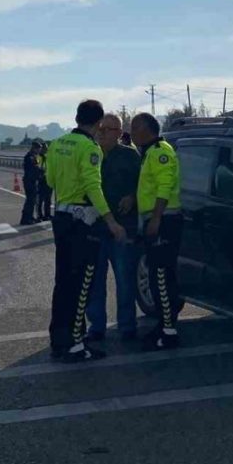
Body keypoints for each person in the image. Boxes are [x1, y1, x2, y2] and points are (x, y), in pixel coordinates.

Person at [45, 100, 127, 362]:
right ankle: (77, 344)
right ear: (99, 122)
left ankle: (59, 340)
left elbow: (49, 180)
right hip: (83, 222)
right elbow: (93, 186)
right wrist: (111, 221)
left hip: (61, 217)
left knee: (63, 282)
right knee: (82, 284)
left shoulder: (57, 144)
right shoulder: (90, 148)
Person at [130, 112, 183, 351]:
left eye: (134, 128)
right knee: (156, 275)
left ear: (145, 129)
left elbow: (165, 185)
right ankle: (163, 325)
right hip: (156, 219)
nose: (131, 134)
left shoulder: (161, 151)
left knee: (161, 276)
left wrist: (156, 218)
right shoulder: (149, 153)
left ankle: (169, 331)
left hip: (164, 220)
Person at [87, 114, 142, 341]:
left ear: (119, 134)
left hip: (123, 228)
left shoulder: (130, 156)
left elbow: (145, 184)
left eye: (107, 129)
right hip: (95, 229)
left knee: (125, 279)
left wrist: (132, 197)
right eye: (100, 128)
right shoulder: (90, 154)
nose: (101, 132)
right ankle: (96, 327)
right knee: (95, 281)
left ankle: (127, 326)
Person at [20, 140, 42, 225]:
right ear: (34, 148)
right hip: (29, 181)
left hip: (33, 180)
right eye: (38, 149)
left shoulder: (34, 156)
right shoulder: (30, 157)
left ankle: (30, 217)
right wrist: (41, 171)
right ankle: (26, 219)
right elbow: (34, 169)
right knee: (30, 200)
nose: (39, 150)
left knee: (32, 201)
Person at [36, 141, 52, 221]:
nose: (46, 150)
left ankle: (47, 214)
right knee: (40, 199)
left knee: (48, 199)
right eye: (44, 148)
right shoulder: (38, 157)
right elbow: (38, 168)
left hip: (48, 180)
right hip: (41, 180)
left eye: (46, 148)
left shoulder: (48, 157)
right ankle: (39, 215)